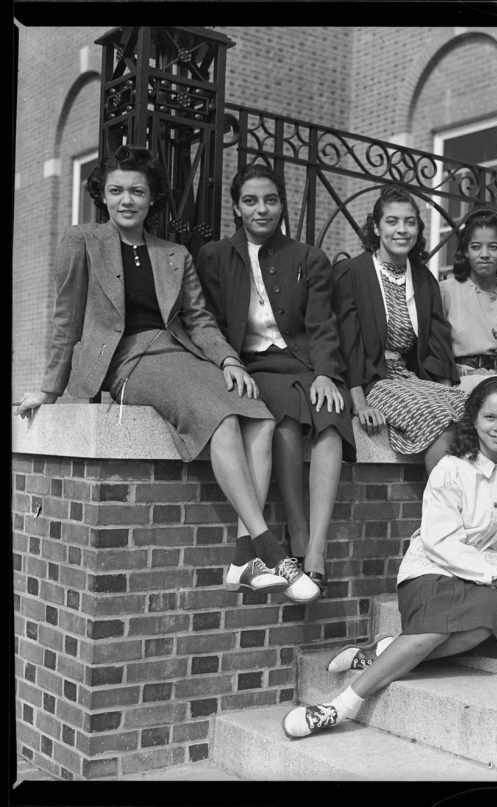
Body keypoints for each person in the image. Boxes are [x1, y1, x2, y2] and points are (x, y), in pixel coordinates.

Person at [14, 145, 314, 601]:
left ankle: (241, 559)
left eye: (137, 191)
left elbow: (199, 321)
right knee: (220, 415)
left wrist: (230, 360)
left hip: (179, 353)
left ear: (152, 198)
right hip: (128, 361)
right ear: (103, 196)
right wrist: (49, 388)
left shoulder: (173, 253)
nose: (126, 200)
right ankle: (270, 549)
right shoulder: (82, 241)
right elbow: (65, 319)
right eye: (116, 191)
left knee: (260, 416)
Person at [280, 377, 497, 739]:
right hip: (432, 570)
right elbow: (441, 543)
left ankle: (384, 650)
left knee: (486, 624)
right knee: (441, 623)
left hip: (483, 576)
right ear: (473, 419)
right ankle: (340, 705)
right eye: (490, 417)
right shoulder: (451, 467)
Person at [197, 163, 355, 600]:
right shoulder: (214, 257)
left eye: (270, 200)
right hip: (254, 368)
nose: (262, 209)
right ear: (236, 207)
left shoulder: (309, 257)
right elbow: (204, 320)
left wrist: (326, 373)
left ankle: (316, 549)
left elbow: (324, 324)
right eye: (251, 201)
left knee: (330, 411)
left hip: (306, 363)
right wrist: (226, 363)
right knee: (283, 418)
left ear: (282, 204)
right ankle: (297, 540)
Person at [334, 186, 466, 472]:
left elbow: (437, 343)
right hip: (374, 382)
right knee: (440, 420)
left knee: (474, 411)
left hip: (410, 377)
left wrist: (447, 394)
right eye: (392, 221)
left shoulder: (422, 278)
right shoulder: (353, 274)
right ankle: (442, 513)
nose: (402, 229)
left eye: (410, 221)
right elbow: (348, 344)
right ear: (376, 227)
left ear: (418, 228)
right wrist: (359, 403)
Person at [439, 208, 497, 393]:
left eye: (493, 247)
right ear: (465, 251)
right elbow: (436, 351)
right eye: (476, 246)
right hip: (456, 380)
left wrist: (495, 379)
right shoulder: (446, 291)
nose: (485, 254)